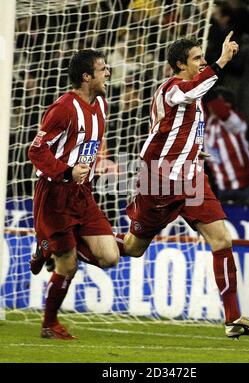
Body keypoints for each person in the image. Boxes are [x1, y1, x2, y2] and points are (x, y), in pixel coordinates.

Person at [117, 31, 249, 338]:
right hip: (158, 178)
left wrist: (192, 150)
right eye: (197, 58)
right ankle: (78, 243)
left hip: (191, 177)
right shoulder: (172, 88)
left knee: (222, 240)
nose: (202, 63)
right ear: (179, 64)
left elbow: (178, 127)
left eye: (203, 57)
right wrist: (222, 60)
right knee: (134, 248)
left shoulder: (193, 96)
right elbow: (190, 90)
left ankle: (233, 318)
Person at [28, 49, 120, 340]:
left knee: (110, 256)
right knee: (68, 265)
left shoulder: (102, 104)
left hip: (84, 193)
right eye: (102, 69)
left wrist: (96, 164)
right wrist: (66, 172)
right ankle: (49, 324)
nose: (108, 73)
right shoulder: (63, 109)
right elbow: (35, 150)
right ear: (86, 76)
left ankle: (48, 247)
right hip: (55, 193)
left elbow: (90, 145)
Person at [203, 86, 249, 205]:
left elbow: (221, 111)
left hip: (247, 186)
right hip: (222, 187)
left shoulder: (234, 121)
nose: (210, 105)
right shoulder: (206, 123)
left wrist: (204, 84)